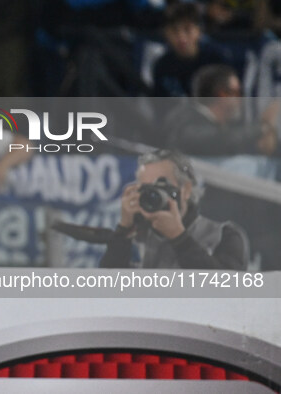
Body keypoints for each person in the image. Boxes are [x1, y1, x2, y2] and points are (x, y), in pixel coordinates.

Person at [99, 150, 248, 270]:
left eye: (161, 186)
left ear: (186, 190)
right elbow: (107, 290)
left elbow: (229, 292)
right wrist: (123, 230)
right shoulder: (135, 237)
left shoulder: (223, 235)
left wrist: (179, 238)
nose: (153, 195)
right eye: (146, 188)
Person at [166, 64, 278, 156]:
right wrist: (262, 128)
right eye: (237, 93)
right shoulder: (185, 121)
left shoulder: (227, 126)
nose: (241, 99)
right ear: (222, 95)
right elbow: (214, 142)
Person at [153, 3, 230, 97]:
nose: (181, 37)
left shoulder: (217, 60)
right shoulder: (162, 66)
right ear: (166, 33)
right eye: (174, 30)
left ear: (199, 31)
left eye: (187, 29)